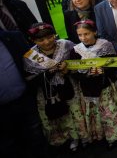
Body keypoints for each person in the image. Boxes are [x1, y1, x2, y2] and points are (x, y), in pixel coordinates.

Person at [70, 20, 117, 148]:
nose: (83, 38)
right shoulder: (75, 50)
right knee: (99, 116)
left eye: (86, 34)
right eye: (80, 35)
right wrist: (87, 74)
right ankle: (107, 136)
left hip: (106, 88)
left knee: (113, 112)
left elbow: (114, 66)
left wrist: (103, 70)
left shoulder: (105, 45)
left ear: (95, 32)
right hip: (88, 90)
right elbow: (74, 72)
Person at [24, 23, 83, 151]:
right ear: (33, 40)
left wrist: (67, 69)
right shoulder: (30, 55)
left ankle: (79, 136)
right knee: (58, 117)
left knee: (75, 112)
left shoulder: (66, 44)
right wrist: (48, 73)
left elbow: (80, 62)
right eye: (41, 40)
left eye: (50, 37)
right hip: (48, 92)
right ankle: (65, 138)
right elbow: (30, 80)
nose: (47, 42)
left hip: (69, 85)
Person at [1, 29, 50, 158]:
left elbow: (33, 57)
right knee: (9, 145)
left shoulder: (13, 37)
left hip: (25, 100)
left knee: (35, 135)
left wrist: (57, 65)